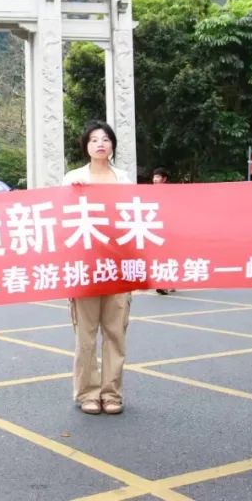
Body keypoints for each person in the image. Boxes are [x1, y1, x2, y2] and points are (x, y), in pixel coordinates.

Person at [63, 120, 133, 415]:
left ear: (112, 145)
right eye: (94, 139)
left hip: (119, 265)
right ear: (86, 146)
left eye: (105, 139)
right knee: (86, 334)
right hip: (86, 266)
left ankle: (111, 393)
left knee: (115, 332)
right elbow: (62, 220)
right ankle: (88, 393)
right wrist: (74, 195)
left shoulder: (124, 179)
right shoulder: (73, 179)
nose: (100, 144)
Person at [150, 168, 175, 296]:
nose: (155, 179)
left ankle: (165, 283)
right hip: (155, 230)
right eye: (154, 176)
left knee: (167, 256)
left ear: (164, 179)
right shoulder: (150, 192)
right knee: (159, 256)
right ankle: (163, 282)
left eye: (158, 177)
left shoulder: (169, 192)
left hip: (168, 229)